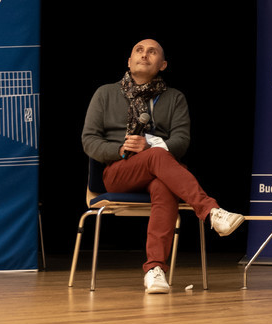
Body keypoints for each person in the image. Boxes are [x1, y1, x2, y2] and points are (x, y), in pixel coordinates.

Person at [81, 38, 243, 294]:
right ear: (129, 61)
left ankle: (154, 270)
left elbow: (182, 141)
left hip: (161, 171)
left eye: (152, 52)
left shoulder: (174, 98)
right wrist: (120, 149)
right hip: (119, 171)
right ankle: (211, 212)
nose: (144, 55)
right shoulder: (105, 94)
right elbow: (89, 140)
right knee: (157, 156)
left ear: (163, 64)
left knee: (163, 185)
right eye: (139, 51)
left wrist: (150, 146)